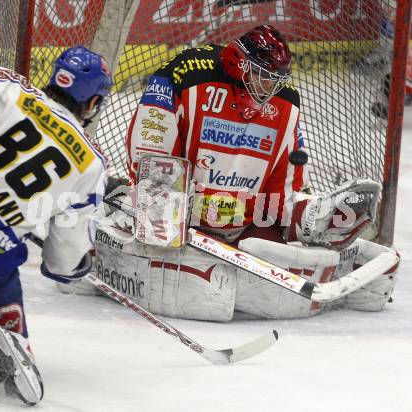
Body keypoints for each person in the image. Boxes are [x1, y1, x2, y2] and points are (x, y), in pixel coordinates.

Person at [94, 25, 398, 324]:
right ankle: (116, 212)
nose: (270, 88)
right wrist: (174, 207)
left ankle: (316, 220)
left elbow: (286, 174)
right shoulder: (184, 72)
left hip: (246, 220)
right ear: (238, 62)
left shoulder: (285, 102)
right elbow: (150, 150)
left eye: (276, 80)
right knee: (155, 196)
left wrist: (288, 208)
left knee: (288, 212)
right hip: (183, 215)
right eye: (263, 76)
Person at [0, 26, 112, 404]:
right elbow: (64, 259)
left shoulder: (7, 87)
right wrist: (75, 266)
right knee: (2, 282)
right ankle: (5, 338)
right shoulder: (91, 164)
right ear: (93, 103)